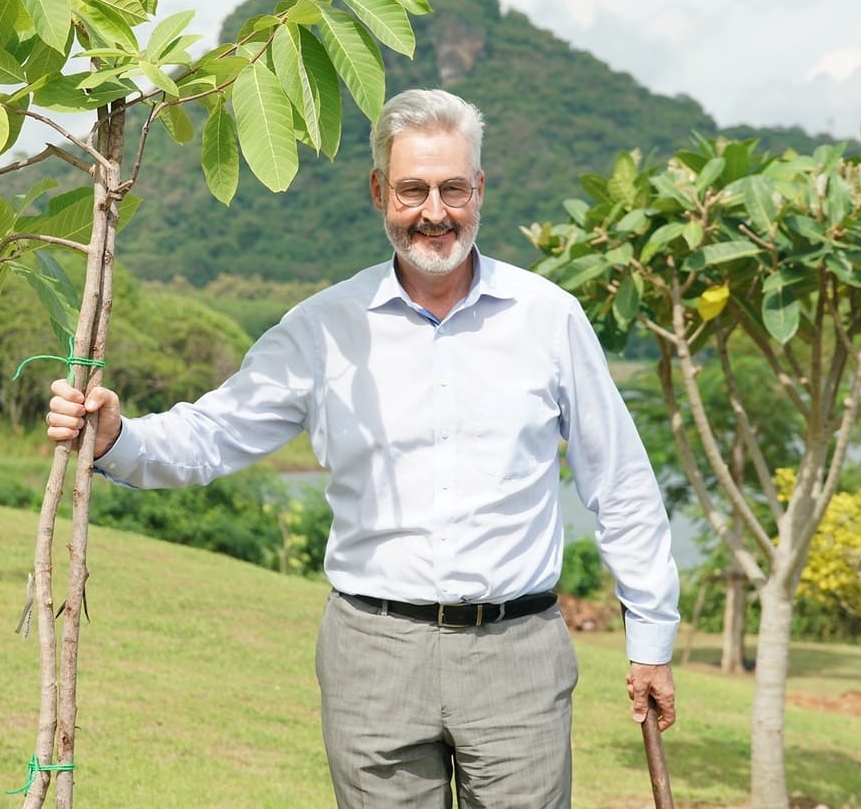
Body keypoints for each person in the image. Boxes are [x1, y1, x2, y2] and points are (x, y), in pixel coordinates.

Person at [47, 88, 680, 807]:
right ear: (380, 191)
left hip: (517, 658)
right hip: (373, 657)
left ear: (481, 190)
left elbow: (620, 486)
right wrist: (117, 439)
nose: (435, 212)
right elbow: (214, 433)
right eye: (413, 190)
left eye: (452, 189)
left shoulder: (549, 319)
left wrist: (652, 638)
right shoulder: (324, 327)